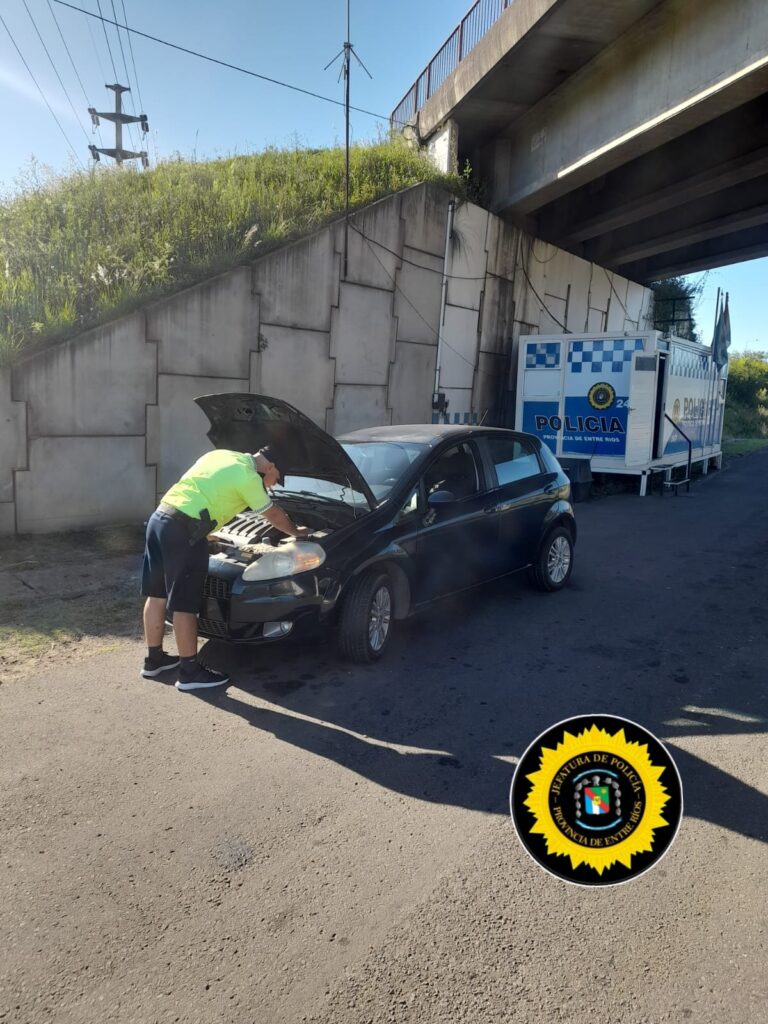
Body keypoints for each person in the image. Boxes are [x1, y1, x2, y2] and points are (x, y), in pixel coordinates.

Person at [141, 448, 309, 691]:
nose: (274, 485)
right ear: (270, 467)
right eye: (277, 479)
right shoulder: (248, 477)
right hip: (183, 531)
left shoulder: (221, 455)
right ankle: (189, 672)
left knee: (157, 595)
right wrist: (297, 532)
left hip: (160, 519)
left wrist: (205, 532)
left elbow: (204, 489)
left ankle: (153, 660)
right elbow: (273, 514)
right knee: (184, 604)